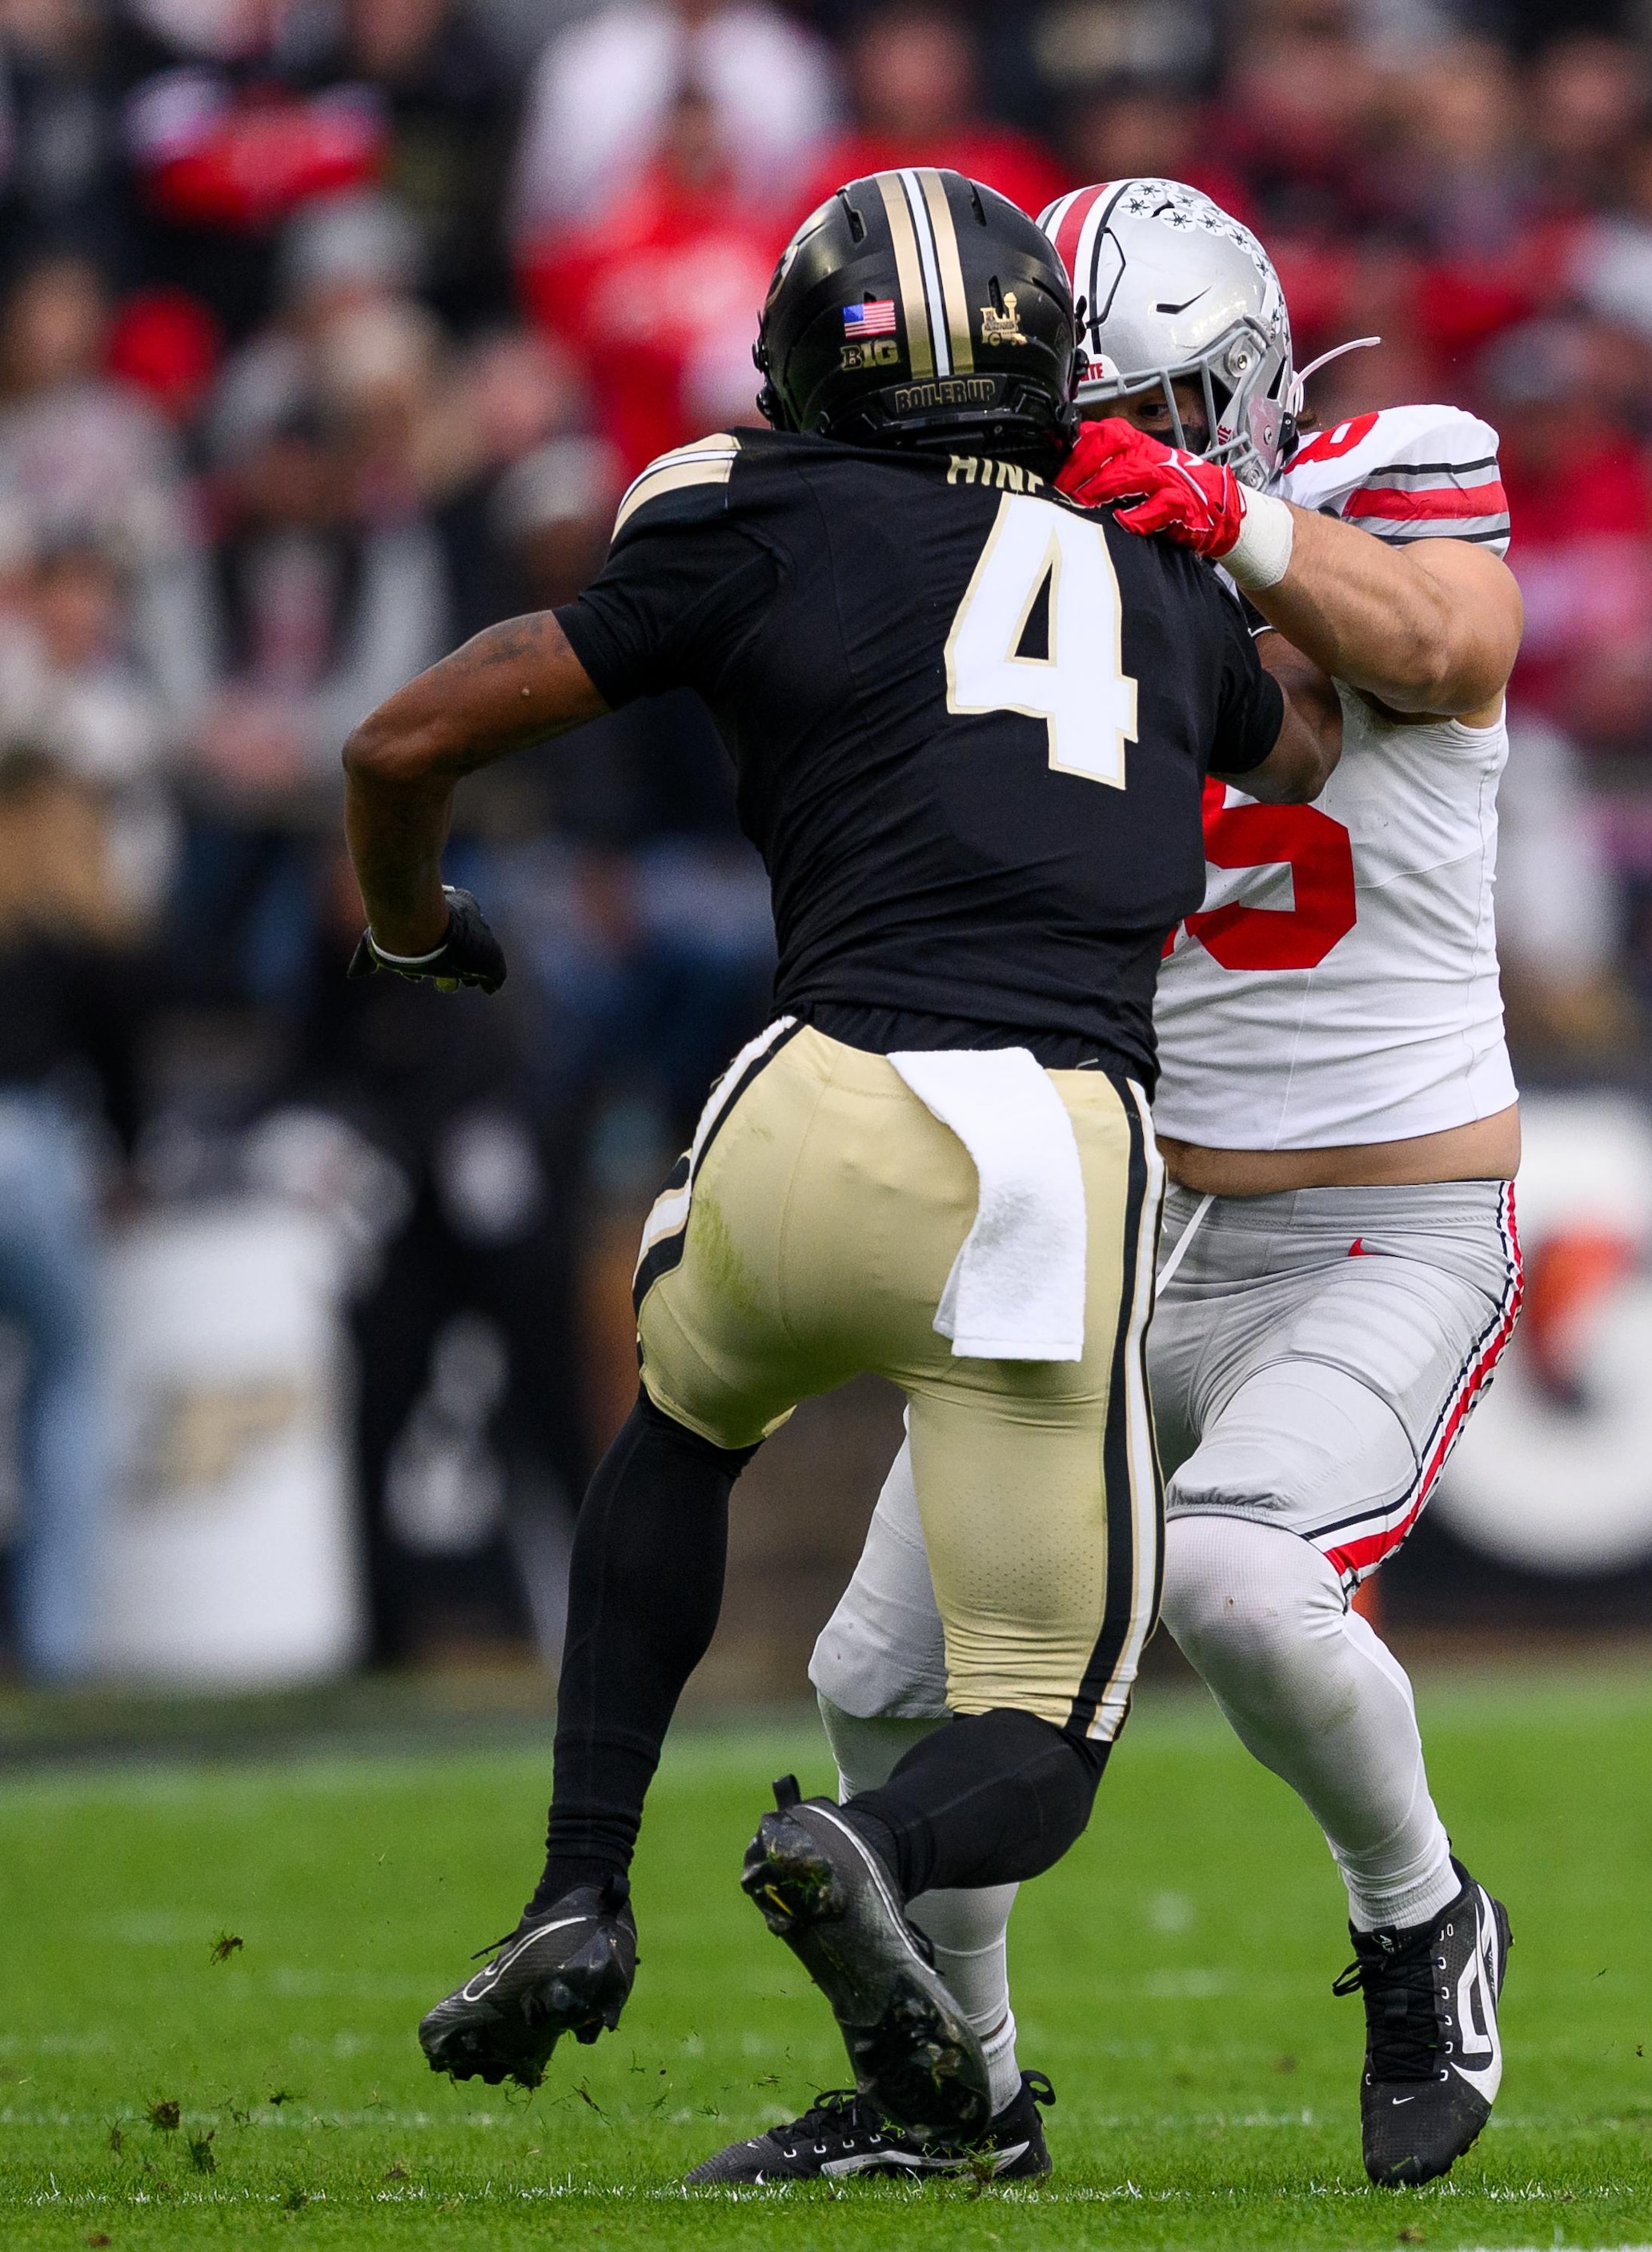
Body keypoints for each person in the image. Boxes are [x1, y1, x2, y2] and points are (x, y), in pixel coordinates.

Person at [376, 170, 1325, 2150]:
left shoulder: (747, 498)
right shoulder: (1154, 565)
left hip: (809, 1095)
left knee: (682, 1422)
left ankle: (577, 1878)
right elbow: (1304, 740)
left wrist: (414, 927)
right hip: (1048, 1145)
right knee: (1044, 1725)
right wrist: (1224, 520)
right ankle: (860, 1842)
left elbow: (405, 742)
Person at [697, 176, 1528, 2191]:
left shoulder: (1385, 469)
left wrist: (1212, 514)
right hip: (1100, 1216)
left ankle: (1420, 1913)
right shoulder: (987, 566)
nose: (1072, 459)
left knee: (1248, 1579)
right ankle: (958, 2096)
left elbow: (1447, 639)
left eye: (1121, 421)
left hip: (1375, 1215)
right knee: (880, 1674)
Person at [0, 757, 141, 1684]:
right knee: (70, 1382)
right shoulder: (76, 930)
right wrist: (126, 1164)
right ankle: (53, 1642)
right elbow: (124, 1072)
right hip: (30, 1146)